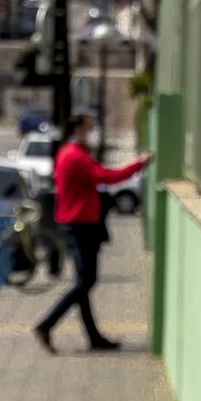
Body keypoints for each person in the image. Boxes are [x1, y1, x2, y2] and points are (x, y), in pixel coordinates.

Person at [33, 114, 150, 353]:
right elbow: (108, 176)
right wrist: (140, 164)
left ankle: (94, 337)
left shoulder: (70, 153)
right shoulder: (76, 157)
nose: (93, 132)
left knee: (82, 283)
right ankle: (47, 324)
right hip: (80, 226)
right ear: (78, 129)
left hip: (77, 223)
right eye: (89, 128)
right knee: (87, 281)